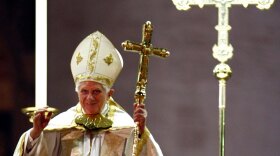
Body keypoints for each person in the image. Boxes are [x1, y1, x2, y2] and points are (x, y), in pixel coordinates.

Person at [13, 31, 163, 156]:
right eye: (84, 91)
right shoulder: (62, 125)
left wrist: (141, 133)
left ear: (110, 93)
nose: (90, 98)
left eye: (96, 91)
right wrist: (36, 133)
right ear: (77, 92)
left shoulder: (125, 126)